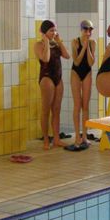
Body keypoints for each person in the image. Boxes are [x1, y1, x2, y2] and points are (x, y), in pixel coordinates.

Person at [34, 20, 70, 150]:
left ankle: (56, 139)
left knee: (56, 110)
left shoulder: (56, 43)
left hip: (58, 78)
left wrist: (59, 41)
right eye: (51, 30)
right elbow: (46, 59)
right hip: (46, 78)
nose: (54, 33)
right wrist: (46, 42)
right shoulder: (38, 45)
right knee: (46, 110)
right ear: (44, 32)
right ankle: (45, 139)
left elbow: (67, 56)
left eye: (55, 30)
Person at [67, 20, 96, 151]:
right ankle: (77, 136)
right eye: (85, 29)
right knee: (77, 105)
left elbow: (91, 63)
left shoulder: (93, 43)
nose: (88, 32)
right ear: (81, 29)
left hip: (87, 73)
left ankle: (84, 135)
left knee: (85, 106)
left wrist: (87, 46)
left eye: (90, 30)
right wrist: (83, 47)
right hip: (76, 73)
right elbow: (77, 61)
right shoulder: (74, 42)